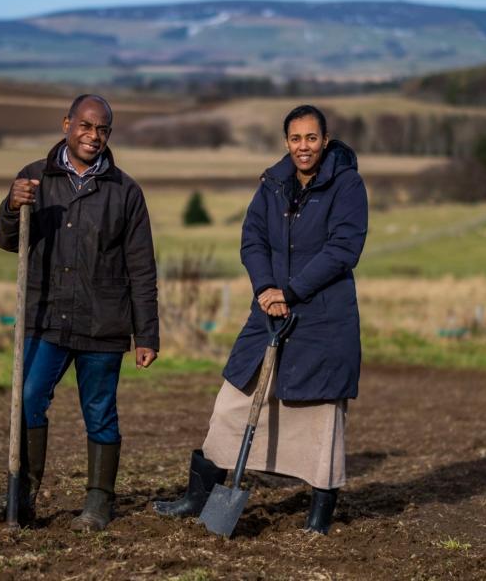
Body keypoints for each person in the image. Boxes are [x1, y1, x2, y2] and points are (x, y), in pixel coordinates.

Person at [153, 104, 368, 534]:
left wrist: (291, 292)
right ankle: (199, 498)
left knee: (321, 413)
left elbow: (343, 248)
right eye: (295, 139)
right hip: (268, 312)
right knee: (233, 399)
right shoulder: (272, 184)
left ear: (324, 141)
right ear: (285, 142)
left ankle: (319, 515)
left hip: (322, 319)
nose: (302, 147)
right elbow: (252, 239)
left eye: (311, 138)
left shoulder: (347, 185)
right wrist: (266, 289)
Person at [0, 94, 159, 531]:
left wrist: (146, 333)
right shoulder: (34, 179)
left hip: (104, 323)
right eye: (86, 126)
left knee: (100, 411)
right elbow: (6, 240)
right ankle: (21, 496)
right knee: (28, 400)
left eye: (103, 130)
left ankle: (98, 504)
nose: (94, 136)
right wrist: (10, 206)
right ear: (66, 124)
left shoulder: (126, 191)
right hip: (46, 317)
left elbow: (141, 266)